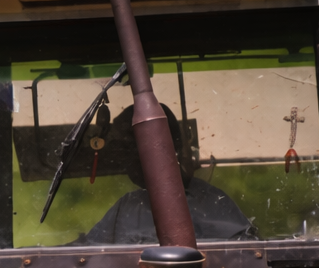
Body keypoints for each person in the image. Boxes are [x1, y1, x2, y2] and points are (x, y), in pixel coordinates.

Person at [78, 103, 257, 245]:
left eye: (128, 148)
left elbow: (244, 259)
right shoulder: (128, 205)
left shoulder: (212, 205)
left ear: (159, 147)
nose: (124, 159)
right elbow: (87, 253)